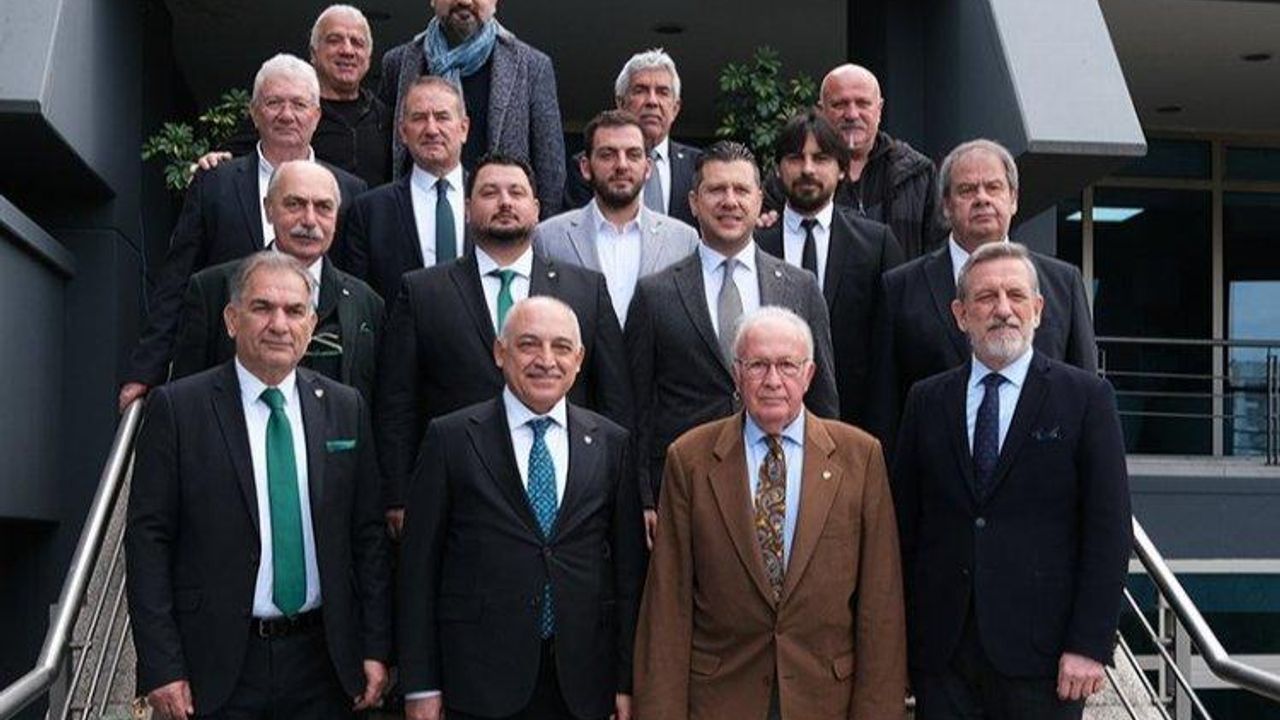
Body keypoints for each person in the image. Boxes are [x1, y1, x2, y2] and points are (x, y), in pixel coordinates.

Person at [126, 252, 390, 719]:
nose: (279, 324)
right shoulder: (178, 409)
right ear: (231, 320)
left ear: (311, 325)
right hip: (217, 666)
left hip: (324, 664)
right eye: (262, 307)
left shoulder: (345, 407)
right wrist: (161, 665)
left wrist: (375, 646)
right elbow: (148, 542)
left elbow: (367, 536)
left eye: (294, 311)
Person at [892, 241, 1131, 720]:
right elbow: (903, 528)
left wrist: (1090, 643)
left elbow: (1108, 532)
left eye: (1016, 296)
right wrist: (900, 646)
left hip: (1045, 660)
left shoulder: (1086, 399)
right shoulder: (926, 401)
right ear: (961, 314)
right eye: (986, 297)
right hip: (943, 657)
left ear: (1038, 310)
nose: (1003, 309)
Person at [634, 306, 907, 720]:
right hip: (720, 700)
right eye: (758, 365)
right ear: (736, 374)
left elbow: (880, 604)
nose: (773, 380)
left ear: (809, 374)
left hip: (826, 701)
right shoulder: (689, 459)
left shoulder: (860, 457)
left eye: (787, 365)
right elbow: (667, 603)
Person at [398, 296, 645, 720]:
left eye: (561, 347)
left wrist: (626, 681)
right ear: (500, 352)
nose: (546, 360)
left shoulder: (611, 442)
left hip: (584, 683)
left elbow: (629, 575)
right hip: (478, 682)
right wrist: (421, 684)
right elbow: (417, 570)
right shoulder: (451, 438)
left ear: (579, 359)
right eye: (529, 344)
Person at [377, 153, 632, 535]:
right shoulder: (423, 291)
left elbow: (614, 395)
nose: (505, 202)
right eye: (490, 193)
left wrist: (626, 491)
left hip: (565, 489)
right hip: (458, 493)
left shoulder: (585, 289)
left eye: (516, 192)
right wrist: (397, 494)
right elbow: (397, 399)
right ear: (467, 208)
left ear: (536, 208)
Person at [119, 54, 367, 412]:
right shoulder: (215, 183)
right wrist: (146, 370)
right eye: (274, 103)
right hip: (226, 373)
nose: (287, 115)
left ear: (316, 115)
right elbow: (176, 281)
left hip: (320, 381)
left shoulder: (351, 191)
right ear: (254, 113)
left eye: (299, 104)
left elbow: (355, 289)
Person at [626, 141, 838, 543]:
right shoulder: (656, 294)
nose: (729, 201)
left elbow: (823, 394)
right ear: (693, 202)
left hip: (781, 479)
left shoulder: (800, 287)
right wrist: (644, 495)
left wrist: (828, 480)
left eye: (741, 190)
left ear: (759, 200)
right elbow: (636, 404)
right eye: (716, 190)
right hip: (687, 488)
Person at [866, 138, 1097, 456]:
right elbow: (884, 410)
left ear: (1013, 199)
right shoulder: (900, 289)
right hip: (936, 477)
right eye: (967, 190)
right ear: (945, 205)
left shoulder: (1062, 284)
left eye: (993, 187)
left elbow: (1085, 397)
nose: (982, 199)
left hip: (1041, 477)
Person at [171, 161, 383, 402]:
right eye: (295, 204)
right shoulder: (214, 291)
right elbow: (185, 400)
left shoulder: (366, 303)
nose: (309, 220)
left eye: (323, 207)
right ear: (268, 210)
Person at [757, 111, 904, 426]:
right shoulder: (756, 245)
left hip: (855, 425)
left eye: (821, 158)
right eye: (796, 158)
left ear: (842, 170)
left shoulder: (876, 245)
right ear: (778, 169)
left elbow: (890, 352)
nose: (808, 169)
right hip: (767, 420)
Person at [380, 0, 565, 216]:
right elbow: (386, 155)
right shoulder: (398, 62)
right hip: (413, 218)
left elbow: (550, 170)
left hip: (498, 222)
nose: (465, 2)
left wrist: (540, 231)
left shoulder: (532, 66)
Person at [535, 109, 698, 327]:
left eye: (633, 155)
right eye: (607, 155)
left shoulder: (684, 240)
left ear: (648, 168)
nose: (621, 165)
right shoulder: (548, 238)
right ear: (585, 167)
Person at [200, 6, 394, 188]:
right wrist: (216, 159)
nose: (347, 51)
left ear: (368, 57)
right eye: (334, 40)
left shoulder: (386, 118)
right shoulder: (284, 114)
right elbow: (231, 159)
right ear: (314, 52)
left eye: (357, 43)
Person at [763, 63, 941, 259]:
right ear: (821, 110)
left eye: (863, 103)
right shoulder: (789, 180)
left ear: (879, 109)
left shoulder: (918, 175)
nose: (852, 115)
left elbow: (938, 254)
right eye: (840, 104)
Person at [333, 77, 470, 301]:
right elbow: (359, 301)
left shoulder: (491, 201)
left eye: (442, 117)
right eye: (419, 118)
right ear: (403, 132)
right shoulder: (370, 212)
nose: (431, 129)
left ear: (463, 128)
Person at [562, 49, 701, 227]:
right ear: (620, 103)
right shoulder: (588, 165)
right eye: (640, 90)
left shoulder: (698, 165)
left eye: (662, 92)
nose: (652, 101)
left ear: (675, 108)